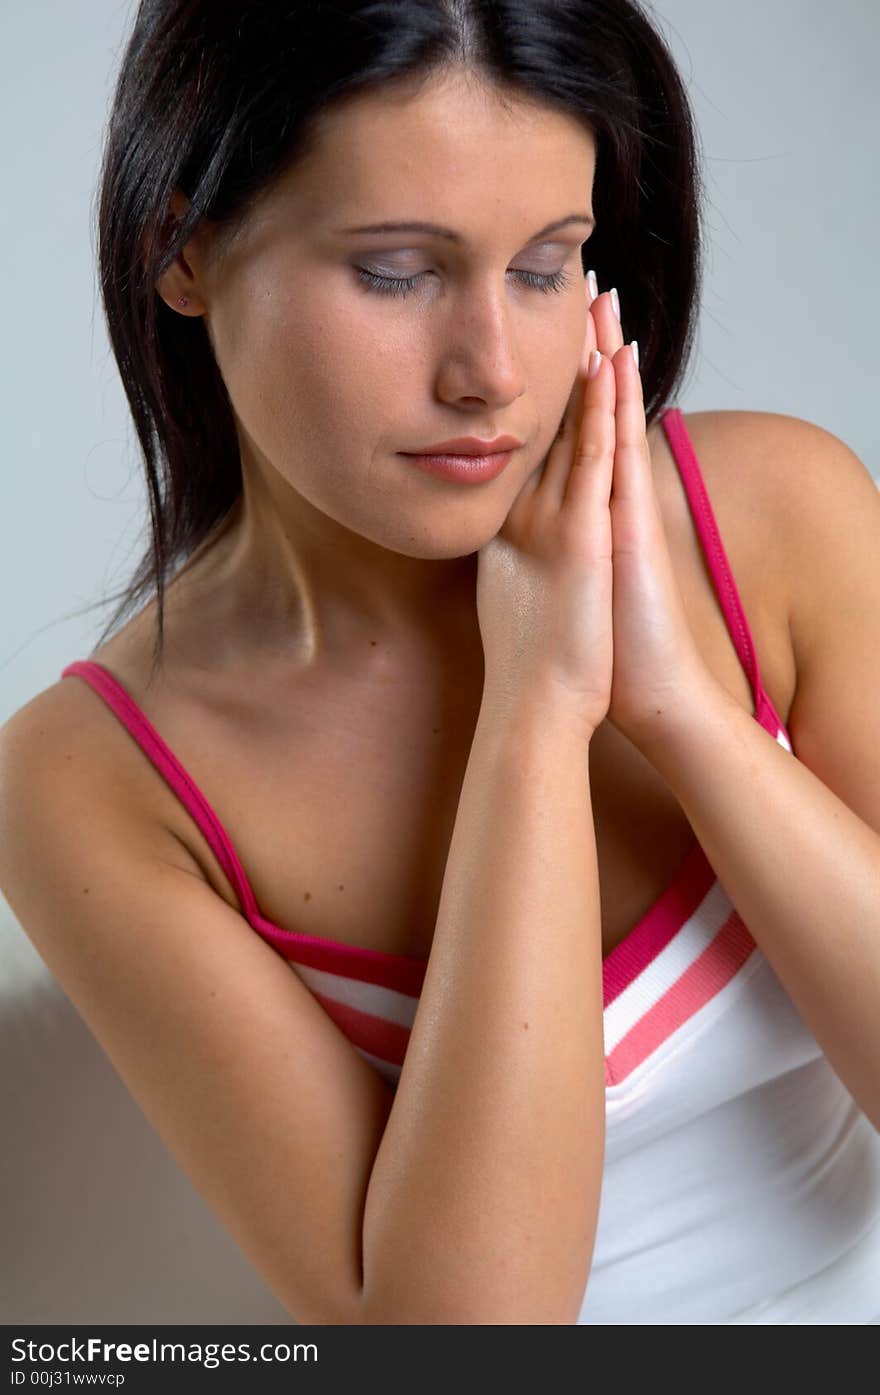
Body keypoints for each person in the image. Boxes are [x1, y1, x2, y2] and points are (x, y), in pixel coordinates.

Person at [1, 0, 878, 1326]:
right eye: (398, 271)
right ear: (179, 248)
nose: (489, 374)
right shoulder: (96, 784)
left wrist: (684, 711)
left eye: (543, 267)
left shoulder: (776, 518)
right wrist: (533, 712)